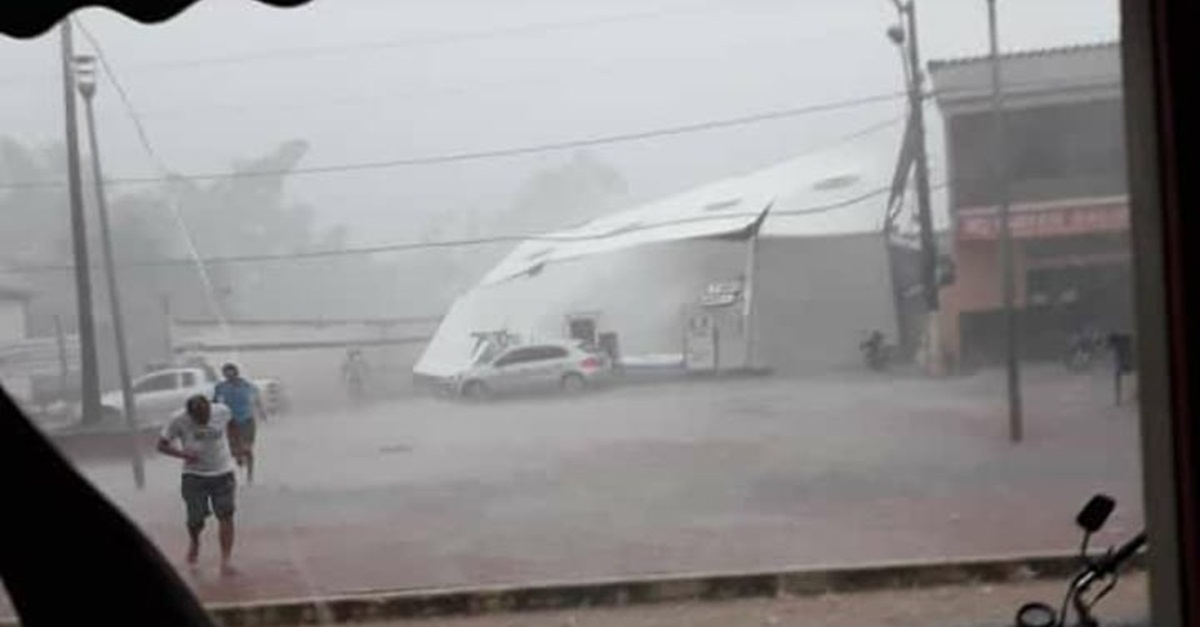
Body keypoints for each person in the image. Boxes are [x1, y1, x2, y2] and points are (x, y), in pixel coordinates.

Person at [157, 395, 239, 577]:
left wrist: (236, 446)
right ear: (190, 414)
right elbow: (161, 446)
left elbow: (233, 424)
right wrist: (184, 455)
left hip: (223, 472)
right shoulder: (177, 419)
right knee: (196, 519)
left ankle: (226, 560)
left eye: (205, 415)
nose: (203, 420)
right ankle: (195, 541)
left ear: (210, 408)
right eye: (198, 418)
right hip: (194, 476)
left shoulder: (221, 411)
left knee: (226, 514)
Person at [213, 363, 266, 484]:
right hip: (230, 422)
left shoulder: (246, 385)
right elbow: (215, 402)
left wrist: (261, 412)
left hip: (247, 420)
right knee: (232, 450)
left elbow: (256, 399)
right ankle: (238, 459)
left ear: (236, 372)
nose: (228, 375)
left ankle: (250, 477)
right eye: (226, 373)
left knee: (247, 448)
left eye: (230, 372)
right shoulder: (220, 387)